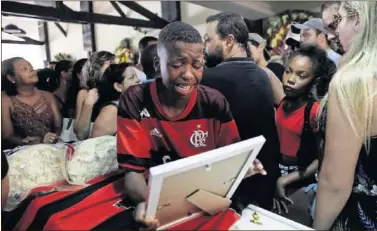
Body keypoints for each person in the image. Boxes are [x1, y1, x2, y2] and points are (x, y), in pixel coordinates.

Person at [117, 21, 265, 229]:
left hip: (205, 203)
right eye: (178, 64)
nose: (188, 74)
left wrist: (243, 165)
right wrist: (150, 206)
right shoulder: (135, 100)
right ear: (158, 63)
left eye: (197, 65)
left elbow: (229, 158)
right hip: (159, 200)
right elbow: (132, 174)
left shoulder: (214, 101)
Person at [202, 12, 280, 210]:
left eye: (208, 40)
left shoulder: (211, 78)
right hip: (264, 174)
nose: (205, 47)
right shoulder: (263, 74)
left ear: (228, 41)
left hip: (235, 181)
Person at [314, 1, 377, 230]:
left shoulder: (355, 82)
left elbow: (335, 184)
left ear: (358, 20)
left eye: (340, 20)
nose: (334, 33)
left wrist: (318, 226)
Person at [273, 45, 336, 215]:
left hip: (301, 179)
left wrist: (284, 180)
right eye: (288, 71)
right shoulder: (283, 102)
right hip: (280, 171)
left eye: (301, 76)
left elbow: (321, 159)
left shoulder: (314, 111)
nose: (290, 79)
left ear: (314, 81)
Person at [1, 57, 62, 149]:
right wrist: (34, 143)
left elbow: (58, 126)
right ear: (11, 78)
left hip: (50, 149)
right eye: (24, 69)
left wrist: (52, 138)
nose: (31, 70)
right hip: (21, 155)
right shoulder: (5, 100)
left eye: (31, 67)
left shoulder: (48, 96)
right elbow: (7, 136)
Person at [73, 51, 115, 140]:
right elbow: (80, 134)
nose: (114, 68)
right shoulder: (85, 93)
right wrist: (88, 105)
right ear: (97, 67)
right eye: (110, 63)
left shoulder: (118, 89)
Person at [91, 63, 140, 138]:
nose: (138, 80)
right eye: (131, 77)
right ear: (118, 86)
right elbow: (95, 146)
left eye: (136, 76)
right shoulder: (111, 111)